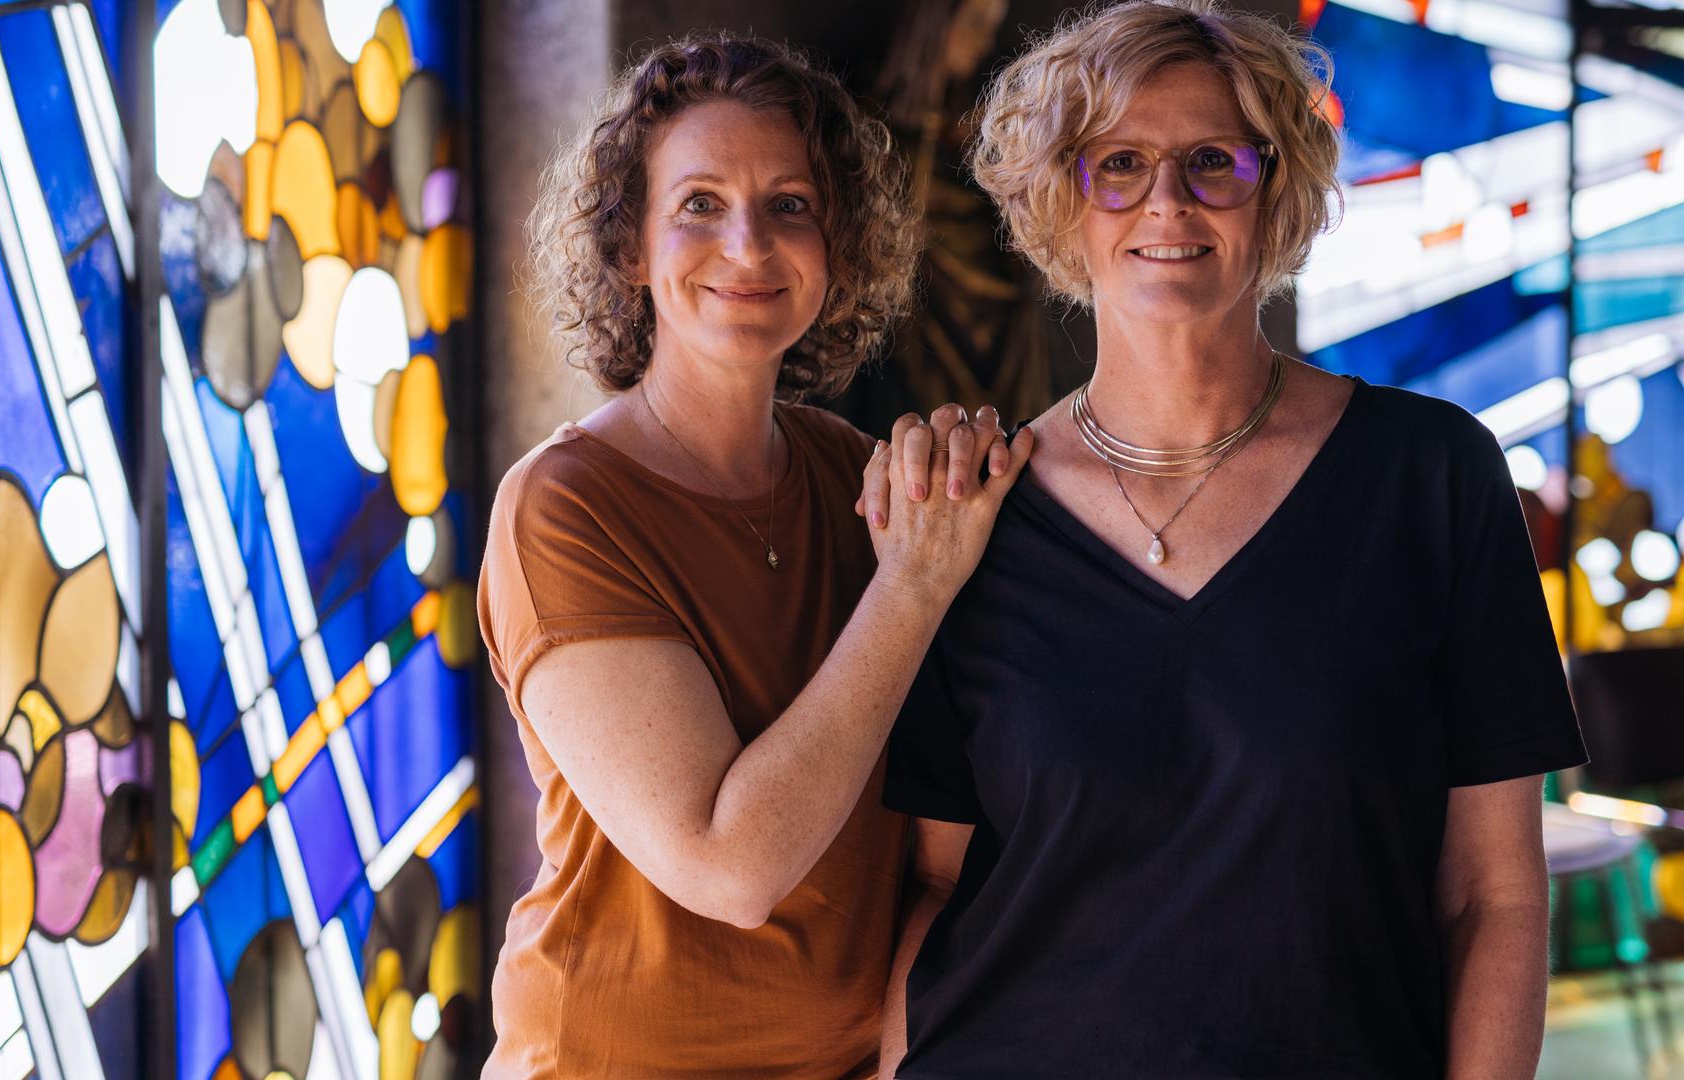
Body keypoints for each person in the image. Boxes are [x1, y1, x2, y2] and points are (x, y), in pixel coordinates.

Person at [874, 2, 1589, 1076]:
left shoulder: (1430, 477)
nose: (1167, 198)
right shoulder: (973, 510)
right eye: (1118, 161)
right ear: (1061, 199)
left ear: (1281, 189)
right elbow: (935, 885)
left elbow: (1493, 895)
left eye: (1215, 160)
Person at [476, 34, 1029, 1078]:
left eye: (791, 206)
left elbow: (935, 834)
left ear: (839, 247)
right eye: (697, 204)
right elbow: (729, 866)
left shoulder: (853, 478)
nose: (749, 245)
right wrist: (912, 583)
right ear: (630, 247)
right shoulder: (565, 507)